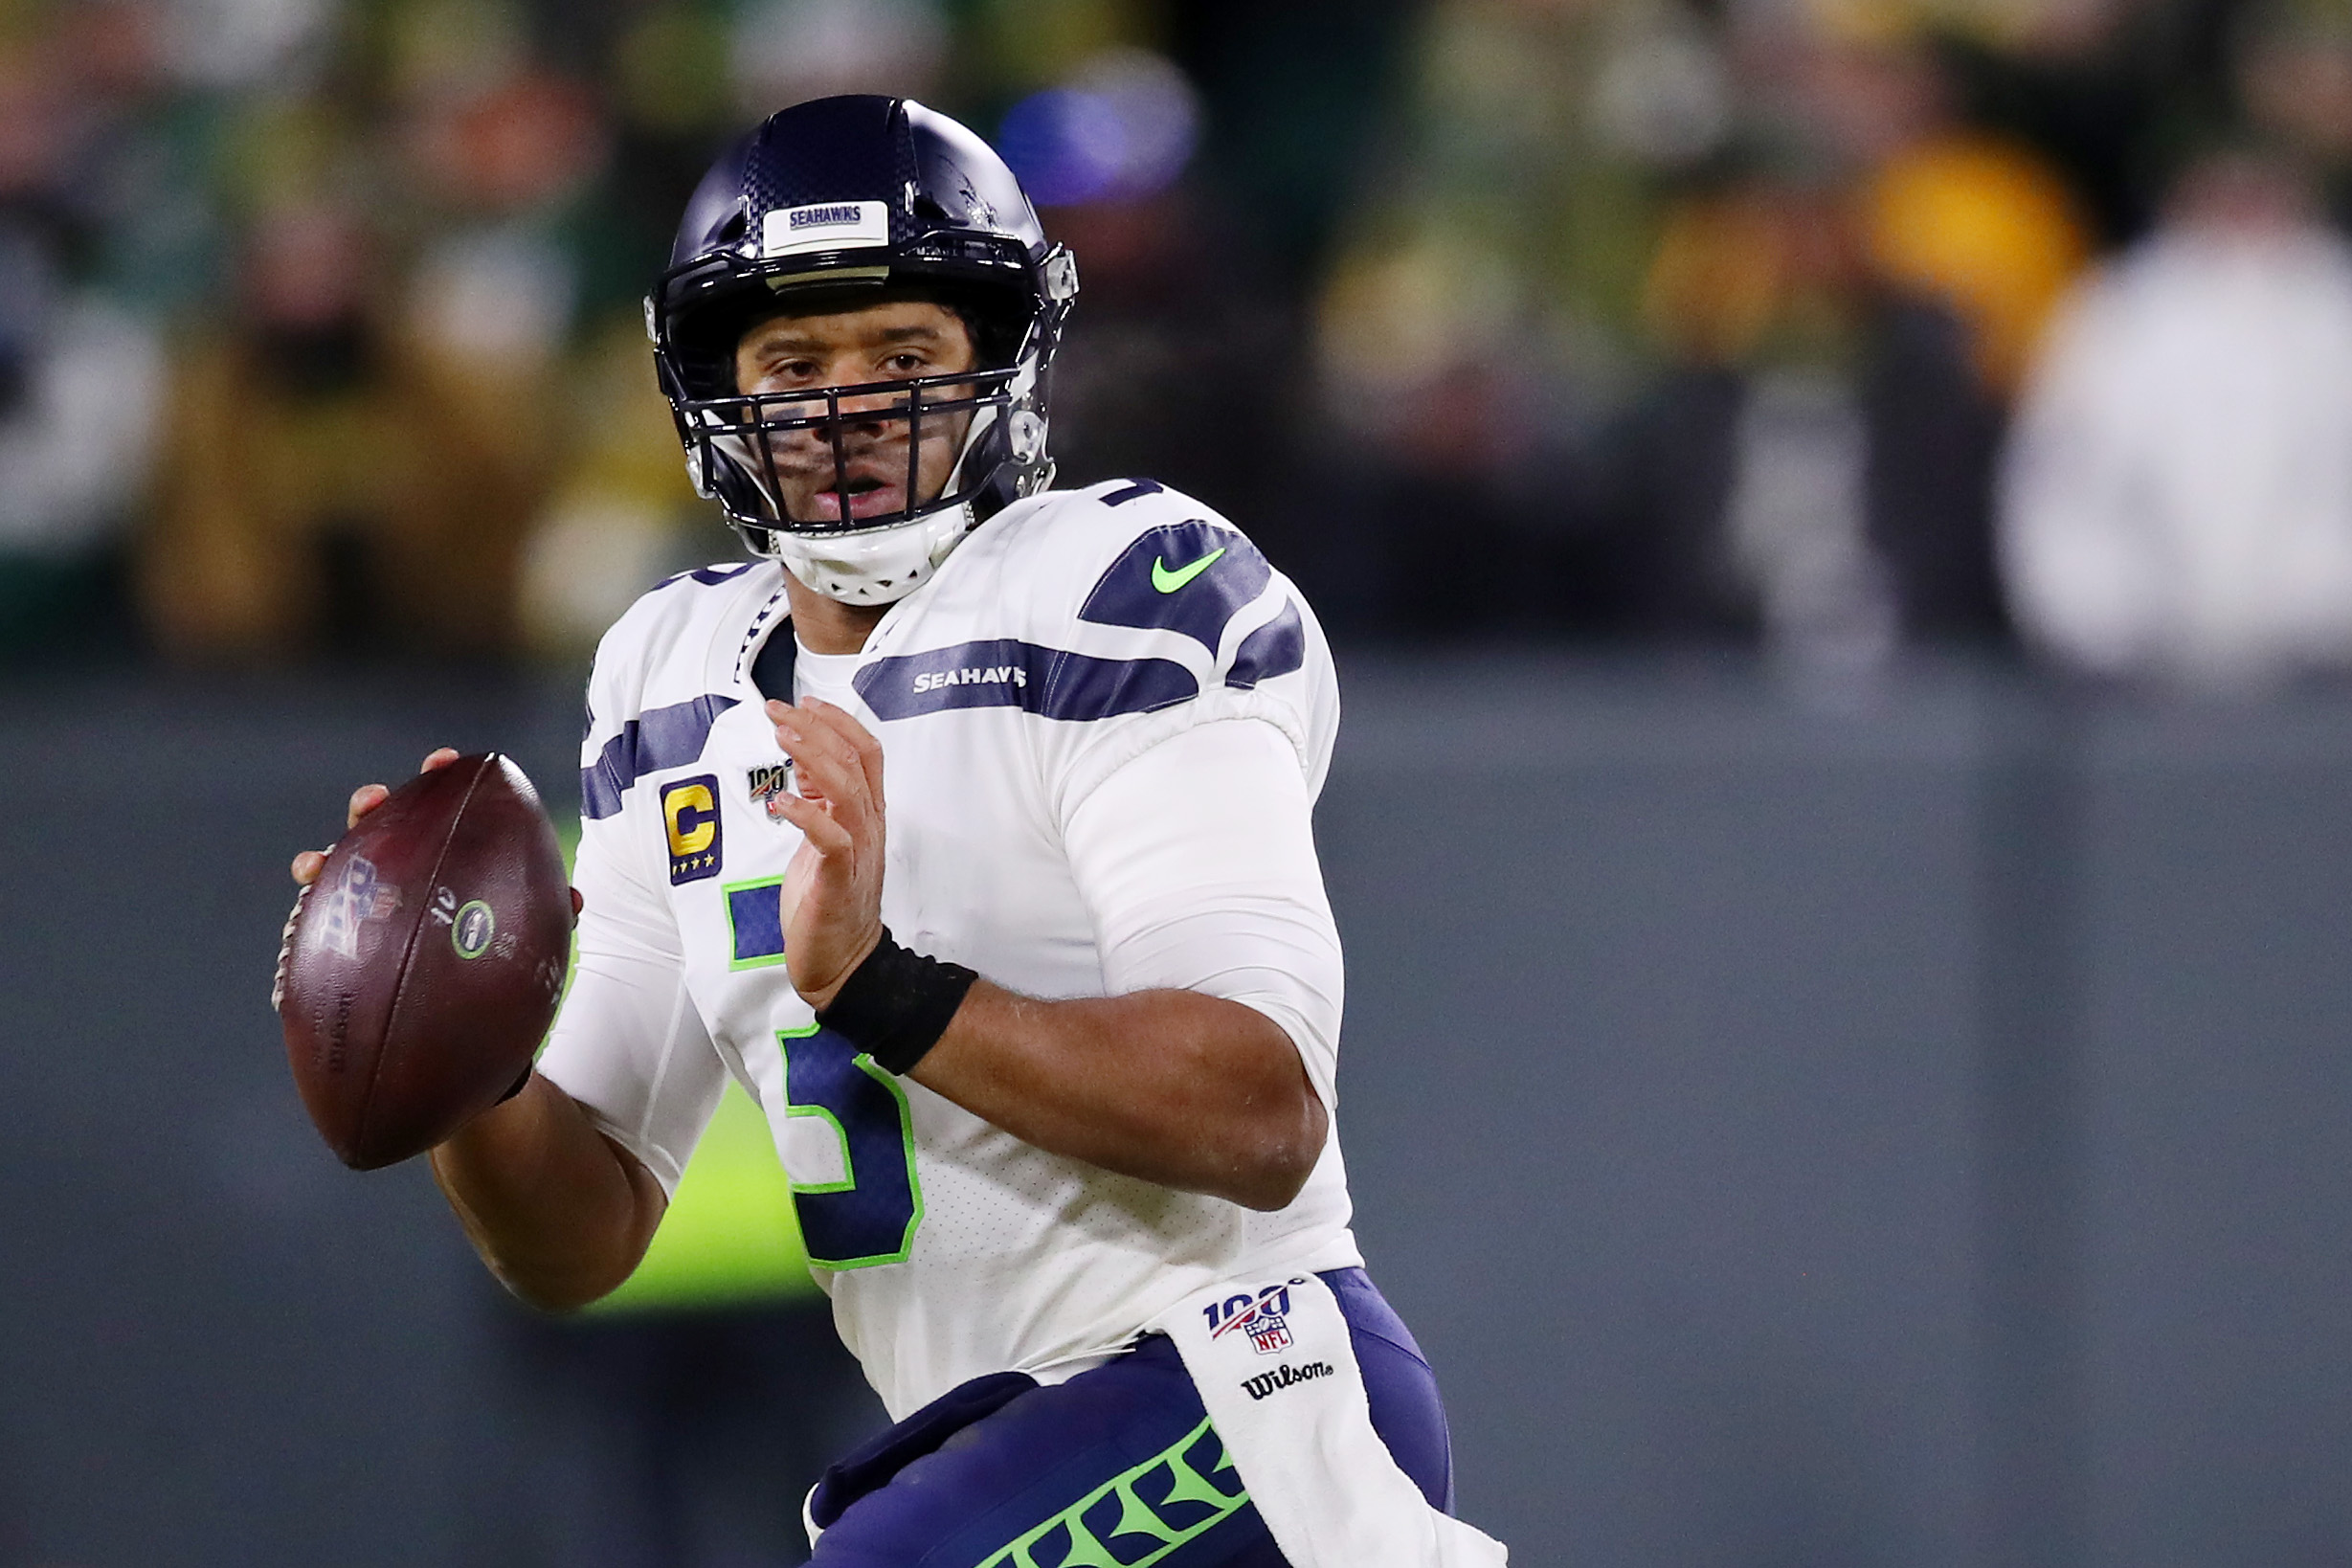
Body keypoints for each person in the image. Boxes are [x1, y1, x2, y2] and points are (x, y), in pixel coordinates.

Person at [290, 96, 1504, 1565]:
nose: (847, 404)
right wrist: (462, 1051)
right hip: (987, 1438)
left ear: (1000, 361)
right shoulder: (666, 680)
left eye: (902, 355)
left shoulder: (1120, 584)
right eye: (792, 362)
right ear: (710, 392)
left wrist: (878, 984)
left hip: (1239, 1385)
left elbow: (1256, 1113)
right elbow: (578, 1234)